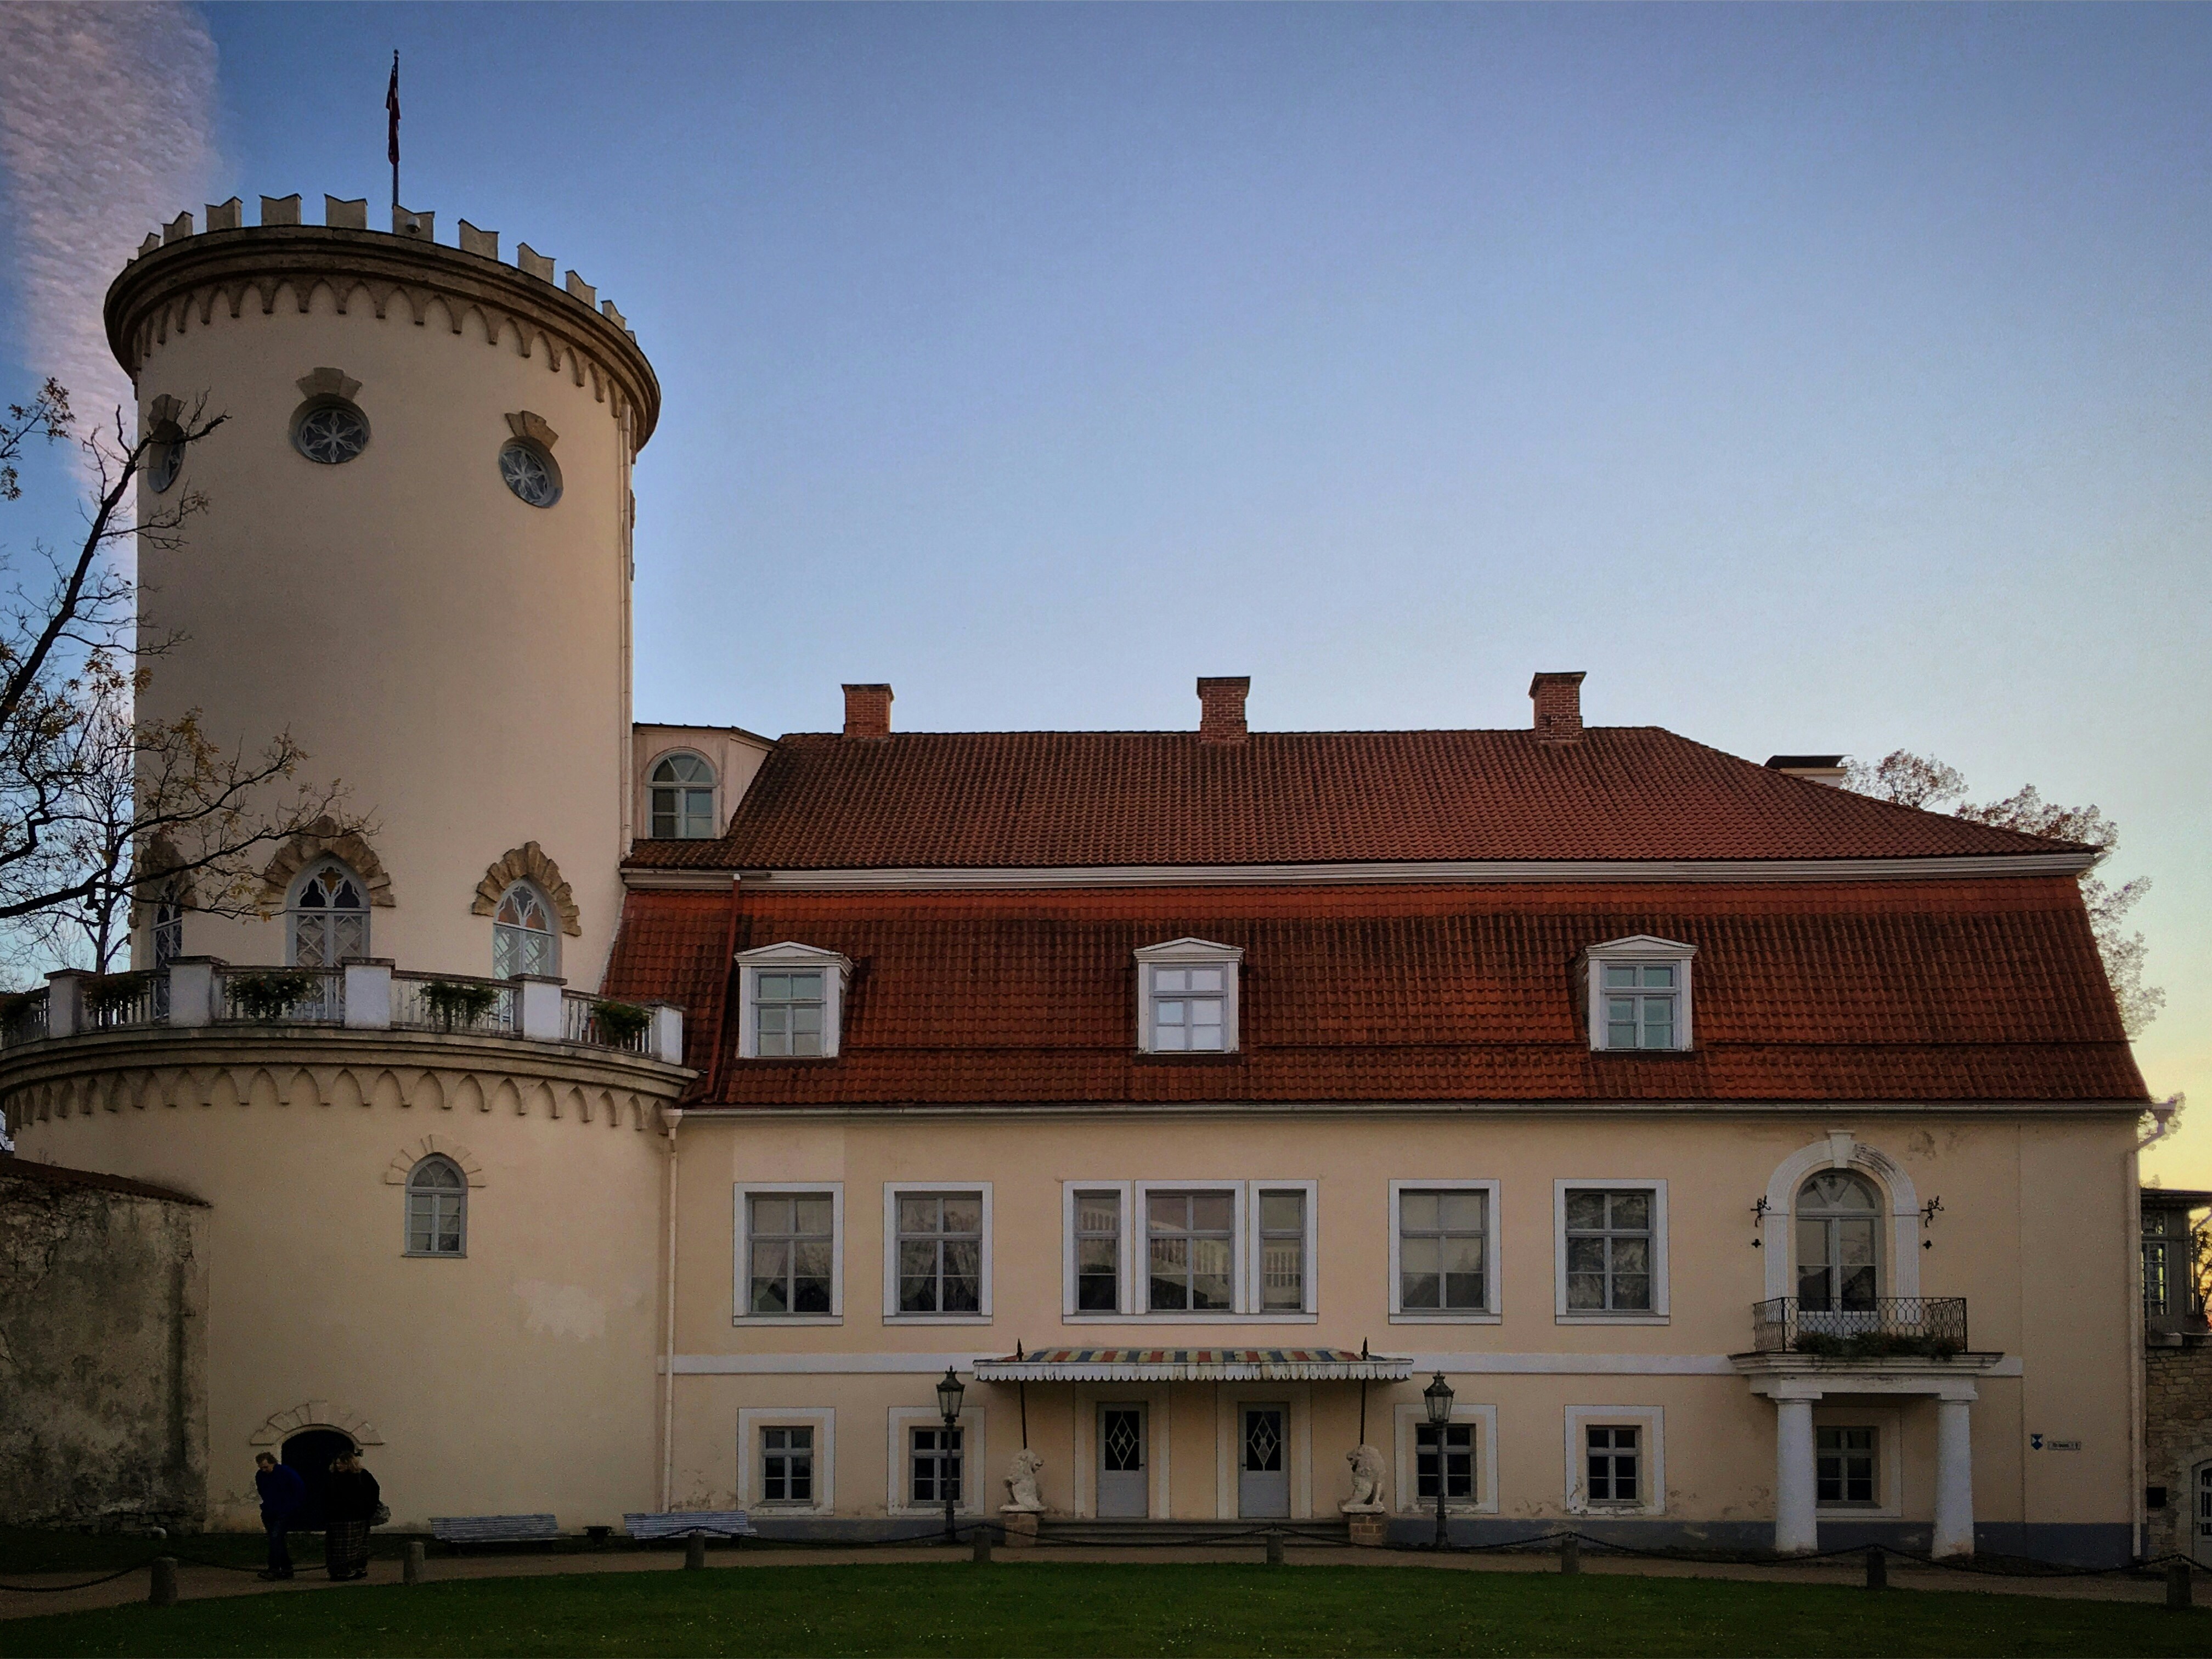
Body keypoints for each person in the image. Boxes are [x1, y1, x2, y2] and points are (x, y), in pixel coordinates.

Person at [322, 1449, 381, 1581]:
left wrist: (367, 1511)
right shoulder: (333, 1477)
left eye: (342, 1464)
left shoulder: (362, 1476)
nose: (339, 1466)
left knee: (354, 1546)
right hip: (336, 1517)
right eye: (337, 1463)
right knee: (335, 1547)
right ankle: (338, 1571)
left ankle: (354, 1569)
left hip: (356, 1517)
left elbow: (373, 1493)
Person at [253, 1452, 307, 1581]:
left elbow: (299, 1490)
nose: (264, 1470)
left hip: (285, 1511)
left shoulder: (286, 1473)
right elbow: (263, 1491)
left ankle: (274, 1569)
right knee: (277, 1540)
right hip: (270, 1511)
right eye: (261, 1468)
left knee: (276, 1538)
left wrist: (292, 1507)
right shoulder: (261, 1476)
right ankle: (287, 1568)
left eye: (266, 1467)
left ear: (273, 1463)